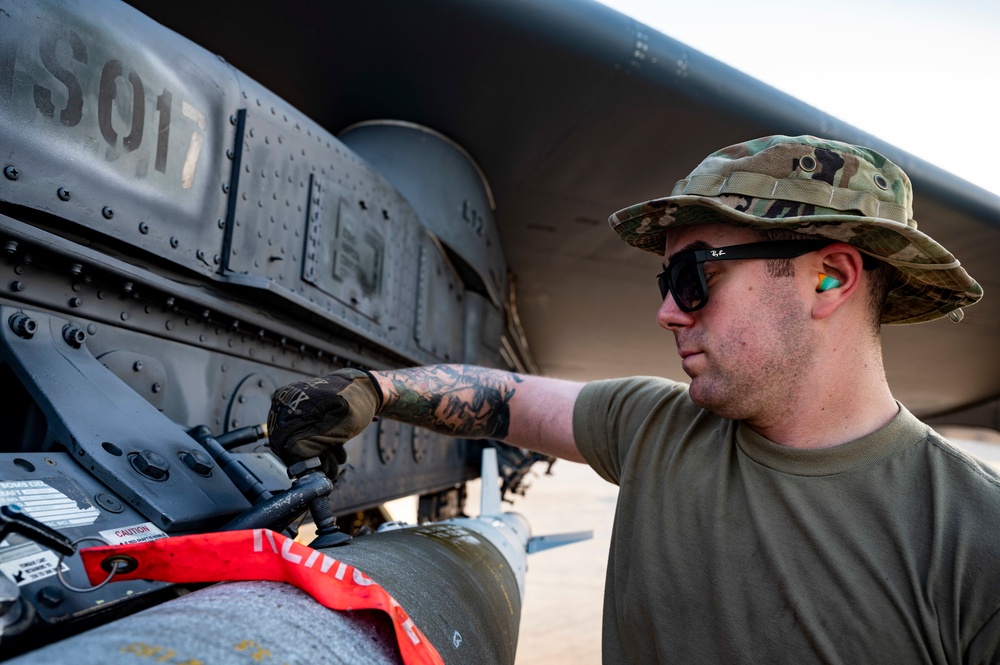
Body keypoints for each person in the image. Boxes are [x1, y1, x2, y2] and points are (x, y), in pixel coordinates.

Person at [268, 135, 1000, 663]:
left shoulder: (974, 538)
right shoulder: (657, 428)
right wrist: (373, 392)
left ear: (829, 279)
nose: (668, 313)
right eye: (665, 284)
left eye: (694, 277)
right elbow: (504, 398)